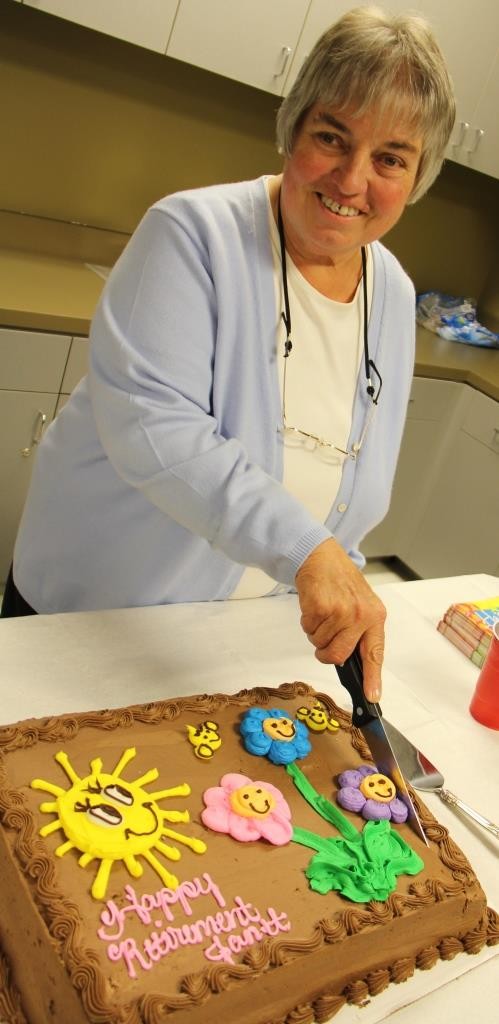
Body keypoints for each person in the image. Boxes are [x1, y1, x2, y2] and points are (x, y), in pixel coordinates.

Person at [3, 6, 455, 701]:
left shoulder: (390, 291)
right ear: (294, 126)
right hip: (91, 629)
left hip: (229, 653)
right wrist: (308, 552)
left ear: (418, 176)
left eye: (390, 157)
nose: (351, 179)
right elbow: (158, 432)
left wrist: (337, 587)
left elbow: (348, 491)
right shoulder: (191, 234)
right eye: (331, 137)